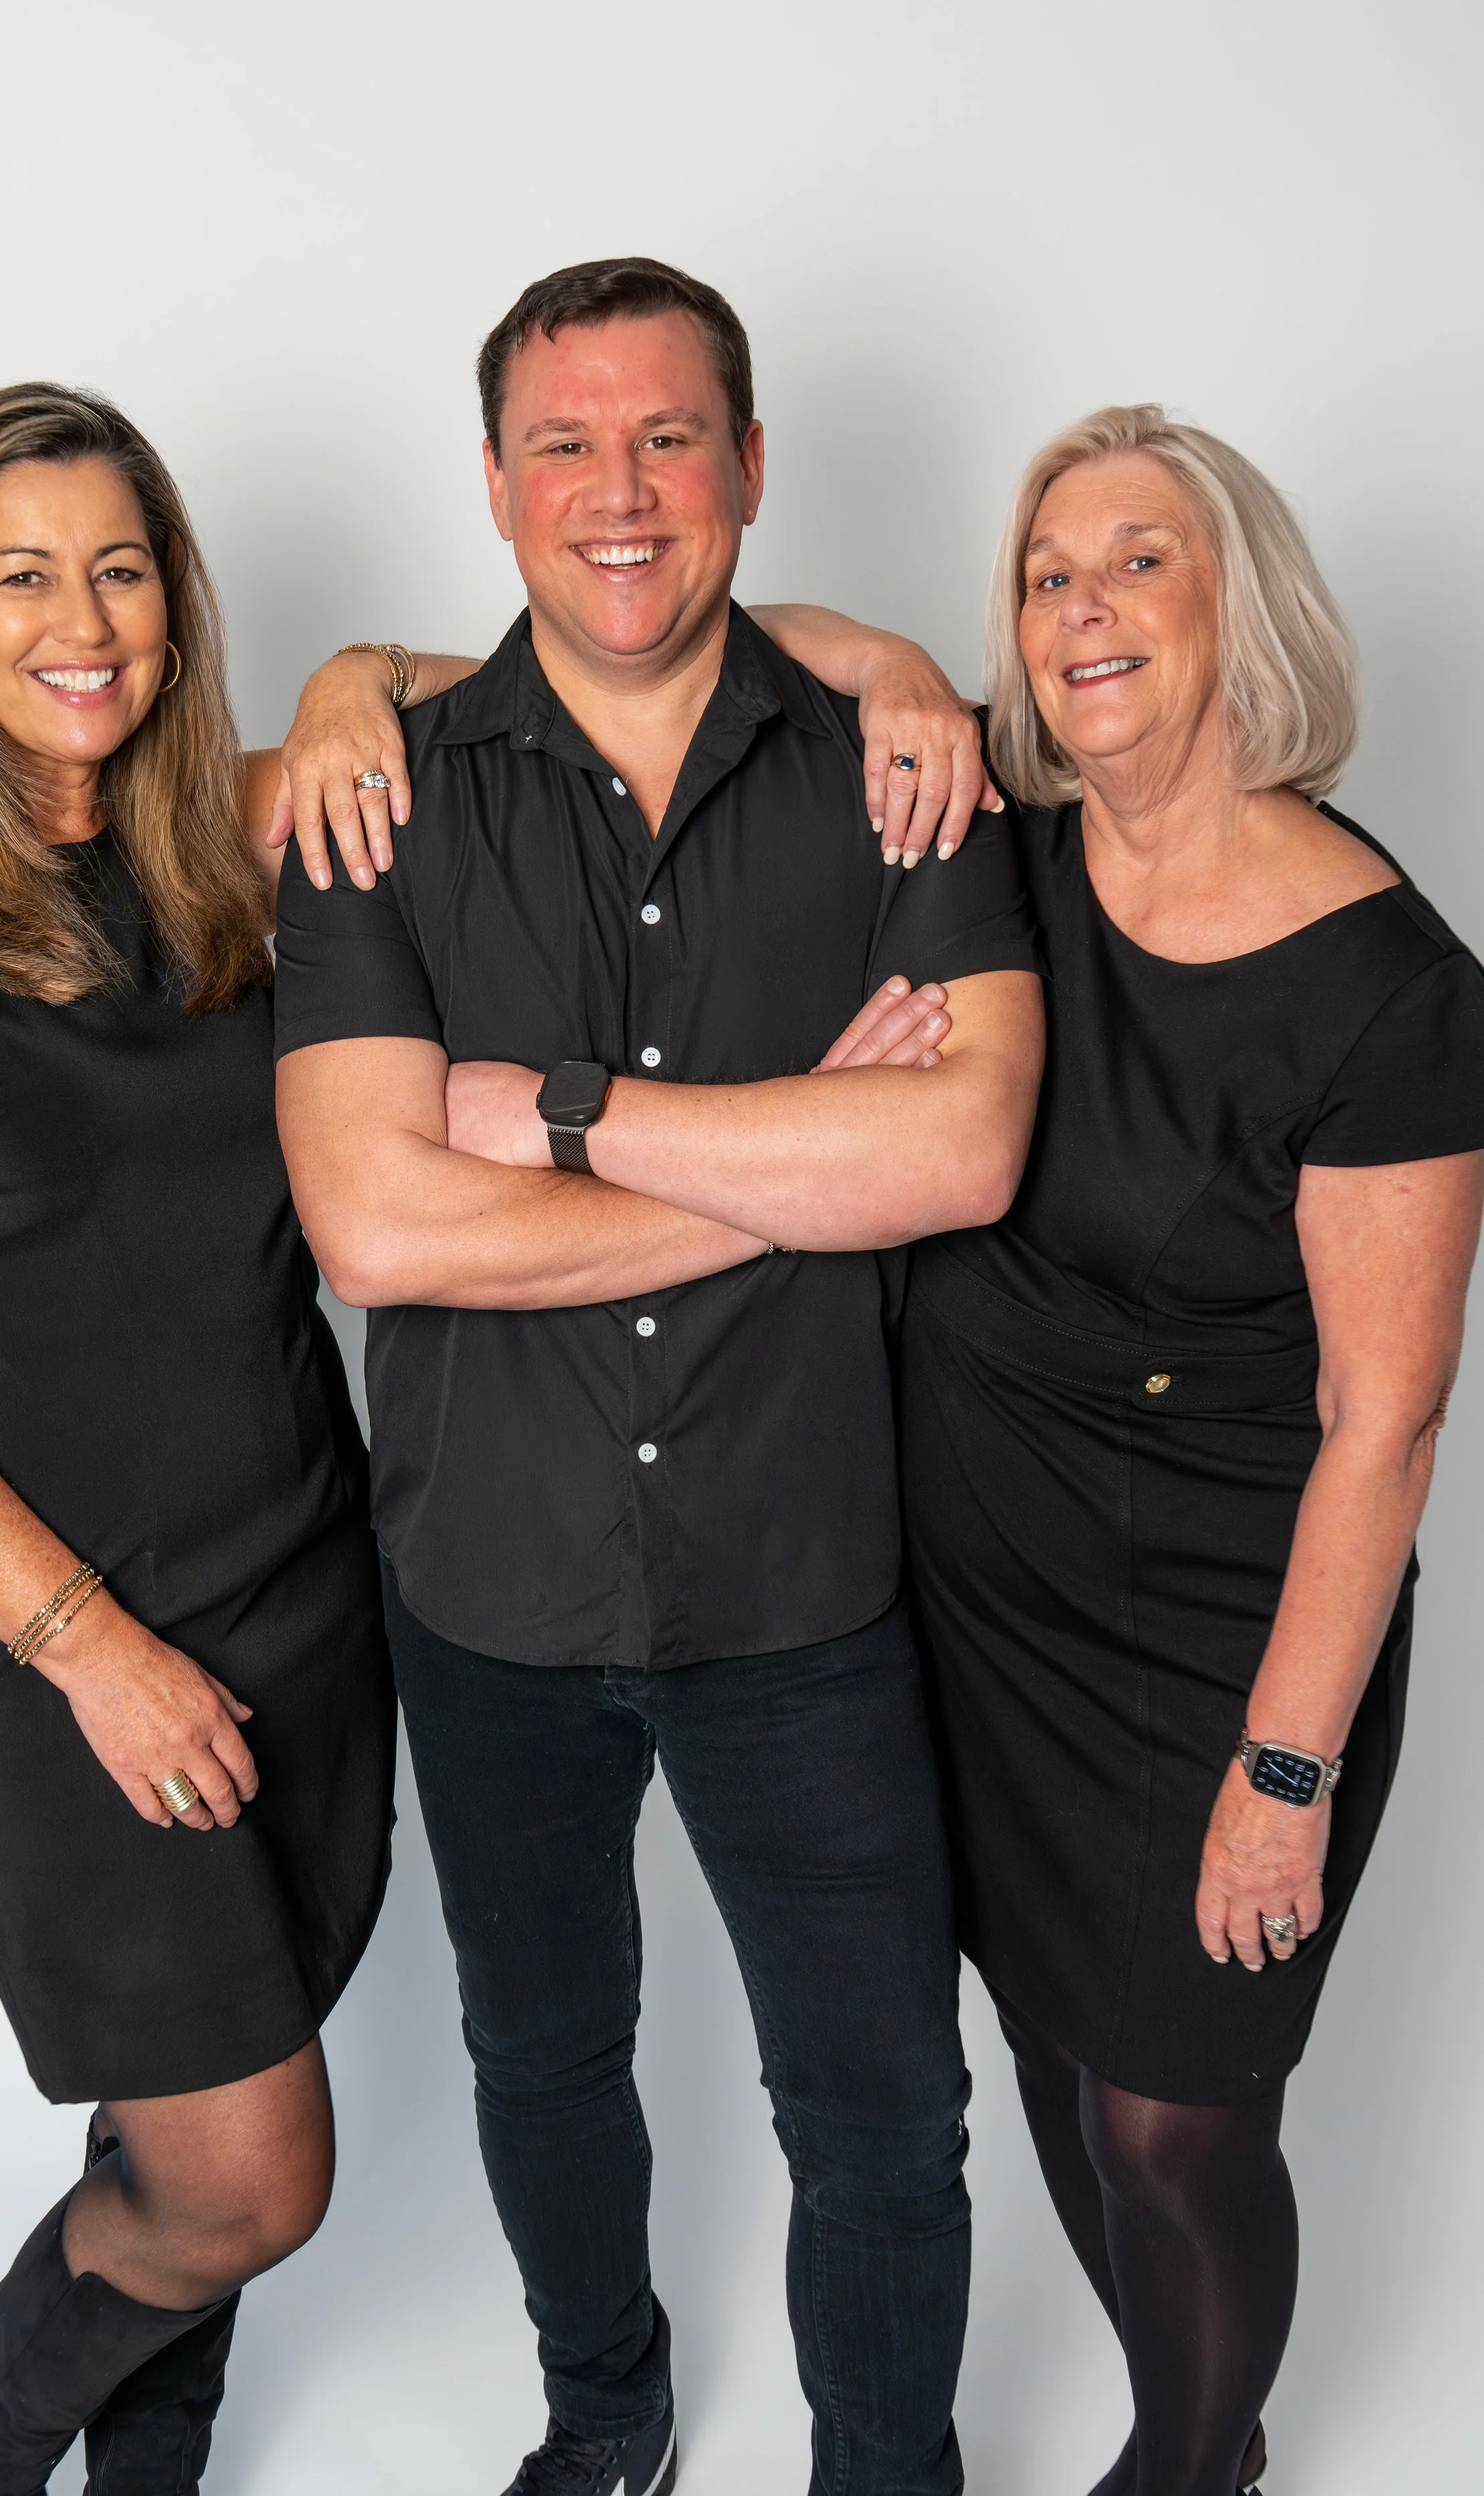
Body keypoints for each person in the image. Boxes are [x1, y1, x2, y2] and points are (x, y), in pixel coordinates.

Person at [269, 256, 1043, 2496]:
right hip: (486, 1578)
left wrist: (566, 1112)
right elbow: (378, 1226)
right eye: (566, 444)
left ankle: (883, 2466)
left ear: (751, 465)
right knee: (541, 2055)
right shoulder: (374, 794)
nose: (620, 491)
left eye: (668, 436)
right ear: (495, 485)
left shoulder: (904, 770)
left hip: (808, 1570)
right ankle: (604, 2419)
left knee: (879, 2101)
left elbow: (960, 1152)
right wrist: (804, 1163)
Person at [890, 405, 1484, 2496]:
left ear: (1243, 603)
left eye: (1137, 558)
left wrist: (1282, 1771)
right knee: (1054, 2035)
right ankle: (1196, 2439)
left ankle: (1186, 2461)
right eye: (1044, 572)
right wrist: (363, 686)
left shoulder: (1386, 988)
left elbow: (1382, 1417)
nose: (1081, 607)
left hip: (1225, 1631)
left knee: (1174, 2108)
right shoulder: (1003, 851)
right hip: (985, 1601)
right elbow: (724, 660)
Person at [0, 383, 397, 2496]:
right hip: (45, 1633)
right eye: (23, 575)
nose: (83, 621)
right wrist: (89, 1648)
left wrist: (350, 680)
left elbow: (525, 684)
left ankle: (146, 2475)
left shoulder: (233, 835)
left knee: (179, 2119)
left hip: (298, 1582)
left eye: (123, 569)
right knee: (248, 2177)